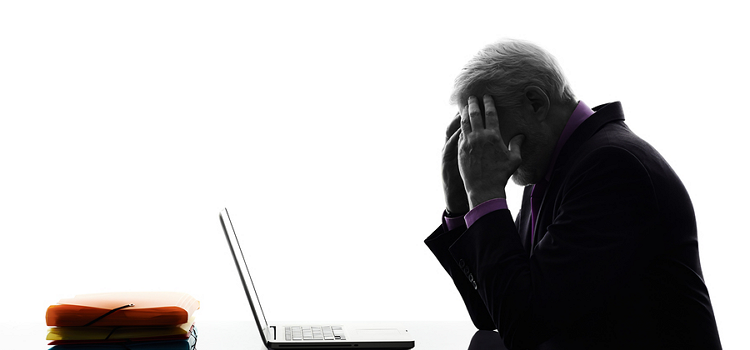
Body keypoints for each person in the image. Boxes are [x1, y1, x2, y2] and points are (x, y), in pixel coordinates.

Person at [424, 39, 722, 349]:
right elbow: (493, 313)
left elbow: (524, 325)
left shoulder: (613, 167)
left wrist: (484, 193)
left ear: (535, 103)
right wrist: (460, 205)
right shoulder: (548, 169)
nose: (479, 145)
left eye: (487, 124)